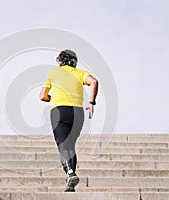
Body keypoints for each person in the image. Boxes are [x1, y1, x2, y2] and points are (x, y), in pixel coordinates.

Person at [39, 49, 98, 192]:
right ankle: (70, 182)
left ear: (60, 61)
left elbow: (42, 96)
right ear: (74, 62)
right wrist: (91, 103)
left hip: (59, 110)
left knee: (63, 145)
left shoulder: (53, 73)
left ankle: (70, 173)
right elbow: (94, 82)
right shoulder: (80, 73)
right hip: (77, 112)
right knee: (70, 145)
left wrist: (53, 98)